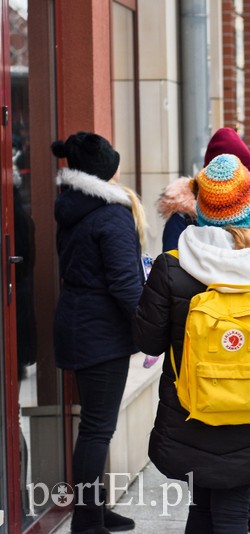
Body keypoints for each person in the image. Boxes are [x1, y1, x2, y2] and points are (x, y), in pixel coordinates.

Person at [132, 154, 250, 533]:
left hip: (190, 409)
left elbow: (148, 341)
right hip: (249, 409)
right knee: (232, 507)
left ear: (200, 207)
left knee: (202, 505)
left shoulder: (172, 265)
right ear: (249, 207)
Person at [52, 131, 146, 533]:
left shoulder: (74, 207)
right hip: (99, 331)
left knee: (94, 424)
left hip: (79, 323)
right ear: (106, 169)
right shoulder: (111, 213)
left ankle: (95, 508)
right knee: (96, 428)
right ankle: (87, 519)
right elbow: (126, 284)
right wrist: (150, 326)